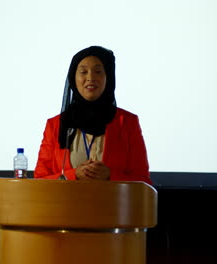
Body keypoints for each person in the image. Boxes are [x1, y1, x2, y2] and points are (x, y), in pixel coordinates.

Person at [34, 46, 152, 184]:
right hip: (67, 205)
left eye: (98, 71)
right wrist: (74, 174)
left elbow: (144, 182)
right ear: (73, 78)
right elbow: (39, 180)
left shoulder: (127, 122)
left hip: (112, 205)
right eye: (83, 72)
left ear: (108, 77)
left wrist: (110, 175)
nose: (90, 78)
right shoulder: (56, 124)